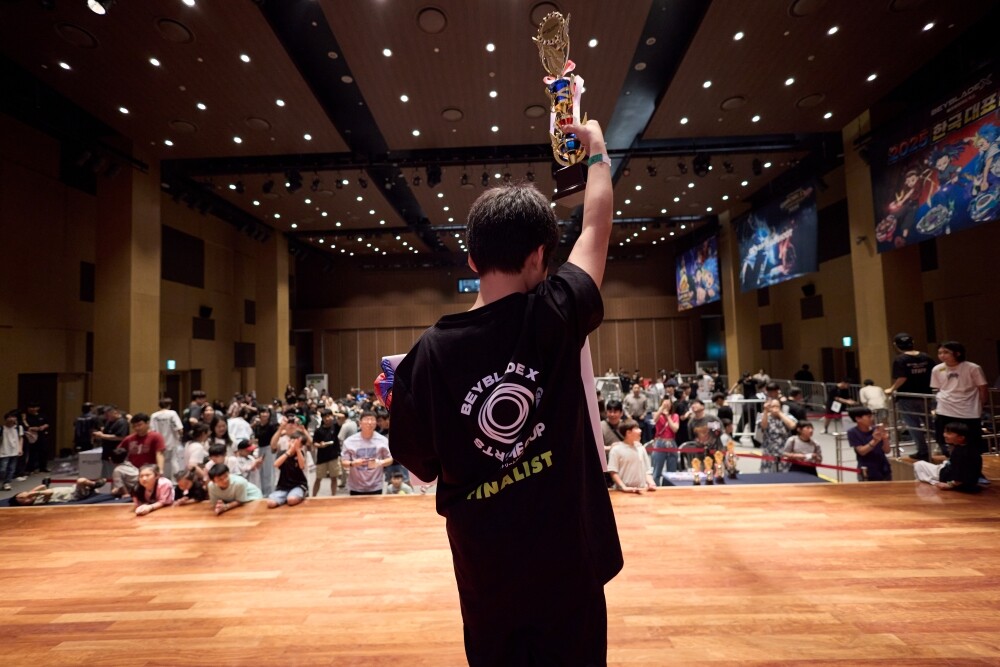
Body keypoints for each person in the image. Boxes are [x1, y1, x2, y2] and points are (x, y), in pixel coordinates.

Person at [390, 120, 621, 665]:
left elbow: (421, 465)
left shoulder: (425, 357)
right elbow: (595, 228)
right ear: (540, 255)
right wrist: (597, 152)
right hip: (569, 568)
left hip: (487, 578)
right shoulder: (557, 312)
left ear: (472, 260)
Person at [930, 341, 988, 456]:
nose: (942, 355)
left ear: (957, 353)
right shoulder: (937, 369)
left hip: (968, 411)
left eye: (946, 352)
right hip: (945, 409)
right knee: (944, 440)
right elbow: (938, 389)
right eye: (940, 353)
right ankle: (951, 461)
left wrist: (981, 404)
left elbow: (982, 387)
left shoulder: (972, 368)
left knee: (971, 442)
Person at [884, 333, 935, 461]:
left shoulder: (900, 360)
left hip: (907, 397)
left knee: (913, 425)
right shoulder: (926, 357)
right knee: (930, 424)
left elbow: (902, 377)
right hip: (925, 395)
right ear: (913, 342)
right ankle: (945, 447)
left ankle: (922, 451)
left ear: (895, 345)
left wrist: (891, 389)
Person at [913, 422, 982, 493]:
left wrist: (949, 485)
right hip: (952, 473)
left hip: (949, 477)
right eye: (945, 432)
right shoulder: (969, 448)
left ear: (961, 438)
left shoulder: (960, 453)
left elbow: (960, 477)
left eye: (949, 433)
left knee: (919, 464)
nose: (944, 435)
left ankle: (933, 482)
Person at [341, 410, 392, 495]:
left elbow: (390, 459)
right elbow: (343, 462)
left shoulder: (383, 440)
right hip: (356, 486)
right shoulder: (350, 441)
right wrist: (353, 463)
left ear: (376, 423)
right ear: (360, 423)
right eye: (366, 419)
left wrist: (379, 462)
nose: (369, 422)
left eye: (372, 420)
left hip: (376, 485)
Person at [607, 419, 657, 493]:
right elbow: (613, 471)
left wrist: (651, 483)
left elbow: (647, 471)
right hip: (622, 492)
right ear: (628, 432)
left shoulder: (641, 448)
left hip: (641, 490)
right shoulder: (616, 449)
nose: (640, 430)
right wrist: (624, 488)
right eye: (636, 428)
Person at [846, 407, 892, 481]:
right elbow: (862, 451)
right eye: (869, 417)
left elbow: (887, 451)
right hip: (867, 470)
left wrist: (885, 439)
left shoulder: (876, 429)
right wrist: (875, 441)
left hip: (884, 468)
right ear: (858, 419)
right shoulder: (853, 432)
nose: (872, 419)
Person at [267, 430, 308, 508]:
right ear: (289, 441)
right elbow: (276, 464)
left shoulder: (300, 453)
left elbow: (302, 466)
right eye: (293, 441)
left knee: (291, 500)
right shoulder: (282, 453)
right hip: (283, 486)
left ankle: (298, 494)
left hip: (298, 485)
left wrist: (297, 450)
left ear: (301, 446)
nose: (294, 444)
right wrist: (289, 451)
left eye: (298, 443)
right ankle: (286, 496)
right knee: (271, 503)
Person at [758, 398, 797, 472]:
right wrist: (766, 411)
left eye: (777, 406)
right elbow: (763, 426)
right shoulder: (763, 415)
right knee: (768, 474)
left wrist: (779, 413)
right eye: (772, 406)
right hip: (769, 451)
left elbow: (792, 426)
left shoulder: (787, 416)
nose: (775, 408)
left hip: (784, 451)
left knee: (784, 474)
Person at [150, 397, 184, 479]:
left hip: (159, 443)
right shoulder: (172, 414)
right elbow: (179, 428)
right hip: (172, 442)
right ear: (169, 405)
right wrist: (180, 437)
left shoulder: (154, 416)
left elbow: (152, 430)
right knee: (173, 462)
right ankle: (173, 481)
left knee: (161, 462)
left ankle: (161, 479)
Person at [93, 405, 129, 478]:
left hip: (116, 455)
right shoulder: (109, 422)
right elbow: (106, 433)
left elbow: (120, 437)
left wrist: (102, 436)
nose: (106, 417)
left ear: (115, 413)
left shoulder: (122, 422)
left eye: (108, 415)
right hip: (106, 454)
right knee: (106, 475)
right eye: (105, 415)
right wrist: (100, 434)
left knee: (115, 475)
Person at [12, 477, 105, 505]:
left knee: (82, 482)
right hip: (75, 495)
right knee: (81, 480)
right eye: (23, 499)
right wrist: (34, 493)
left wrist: (30, 492)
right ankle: (94, 485)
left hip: (73, 489)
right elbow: (49, 492)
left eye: (23, 495)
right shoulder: (37, 502)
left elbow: (43, 486)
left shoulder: (34, 495)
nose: (26, 497)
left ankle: (92, 487)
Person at [311, 409, 341, 496]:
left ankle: (333, 496)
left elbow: (343, 417)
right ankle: (313, 497)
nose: (327, 418)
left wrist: (333, 413)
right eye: (325, 417)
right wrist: (320, 445)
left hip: (334, 456)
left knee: (334, 478)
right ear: (322, 419)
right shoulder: (318, 430)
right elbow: (314, 443)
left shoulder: (336, 426)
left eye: (329, 416)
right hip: (322, 458)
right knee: (318, 478)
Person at [652, 398, 680, 484]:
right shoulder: (657, 414)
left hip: (671, 442)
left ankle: (668, 487)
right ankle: (655, 486)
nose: (667, 405)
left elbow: (675, 429)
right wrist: (661, 409)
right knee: (657, 469)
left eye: (668, 404)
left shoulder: (675, 416)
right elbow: (654, 420)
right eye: (665, 404)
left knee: (672, 471)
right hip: (660, 442)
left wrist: (668, 417)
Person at [21, 401, 51, 475]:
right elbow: (25, 426)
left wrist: (43, 426)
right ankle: (30, 469)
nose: (32, 409)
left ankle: (43, 468)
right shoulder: (25, 416)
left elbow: (47, 423)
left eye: (34, 407)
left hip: (42, 435)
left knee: (43, 451)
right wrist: (32, 428)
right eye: (30, 407)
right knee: (32, 453)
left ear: (38, 408)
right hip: (31, 436)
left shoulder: (42, 415)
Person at [1, 409, 24, 491]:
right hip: (3, 451)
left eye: (14, 417)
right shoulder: (2, 428)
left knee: (11, 469)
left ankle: (7, 483)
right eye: (10, 417)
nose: (12, 419)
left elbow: (21, 438)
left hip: (15, 451)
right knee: (2, 469)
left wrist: (20, 448)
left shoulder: (18, 428)